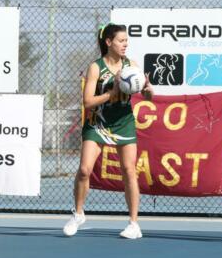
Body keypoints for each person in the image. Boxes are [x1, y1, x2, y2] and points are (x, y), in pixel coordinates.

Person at [63, 23, 154, 239]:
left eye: (126, 41)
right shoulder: (96, 67)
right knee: (85, 170)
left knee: (128, 170)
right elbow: (87, 102)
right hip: (97, 122)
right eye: (121, 41)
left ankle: (133, 224)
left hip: (123, 122)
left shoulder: (131, 66)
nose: (125, 44)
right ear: (108, 42)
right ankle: (78, 213)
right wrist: (111, 93)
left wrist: (149, 89)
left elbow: (148, 97)